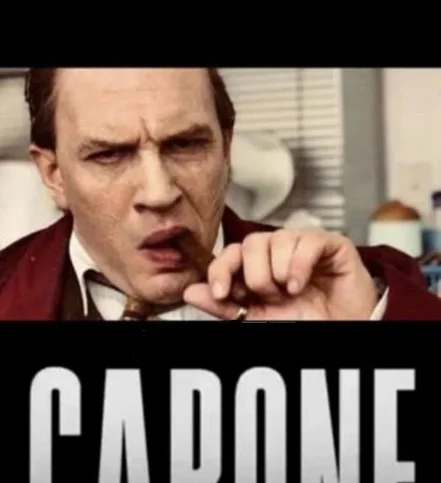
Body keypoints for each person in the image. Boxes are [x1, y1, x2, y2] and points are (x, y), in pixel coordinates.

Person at [0, 67, 440, 321]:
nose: (159, 193)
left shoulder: (366, 292)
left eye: (186, 145)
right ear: (54, 175)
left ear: (226, 149)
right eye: (109, 154)